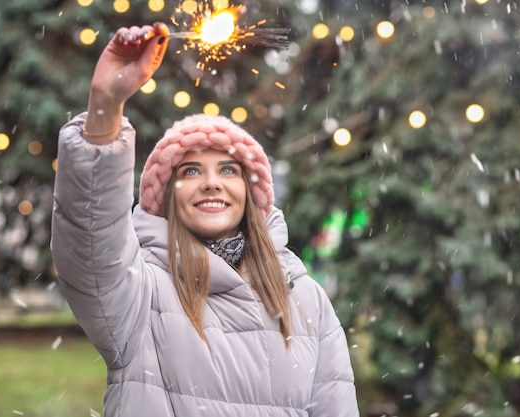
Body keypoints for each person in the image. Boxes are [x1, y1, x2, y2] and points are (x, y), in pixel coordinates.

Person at [51, 22, 359, 417]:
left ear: (250, 192)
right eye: (191, 171)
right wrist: (105, 104)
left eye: (229, 171)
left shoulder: (305, 298)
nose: (212, 183)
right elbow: (87, 237)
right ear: (167, 195)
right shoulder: (139, 290)